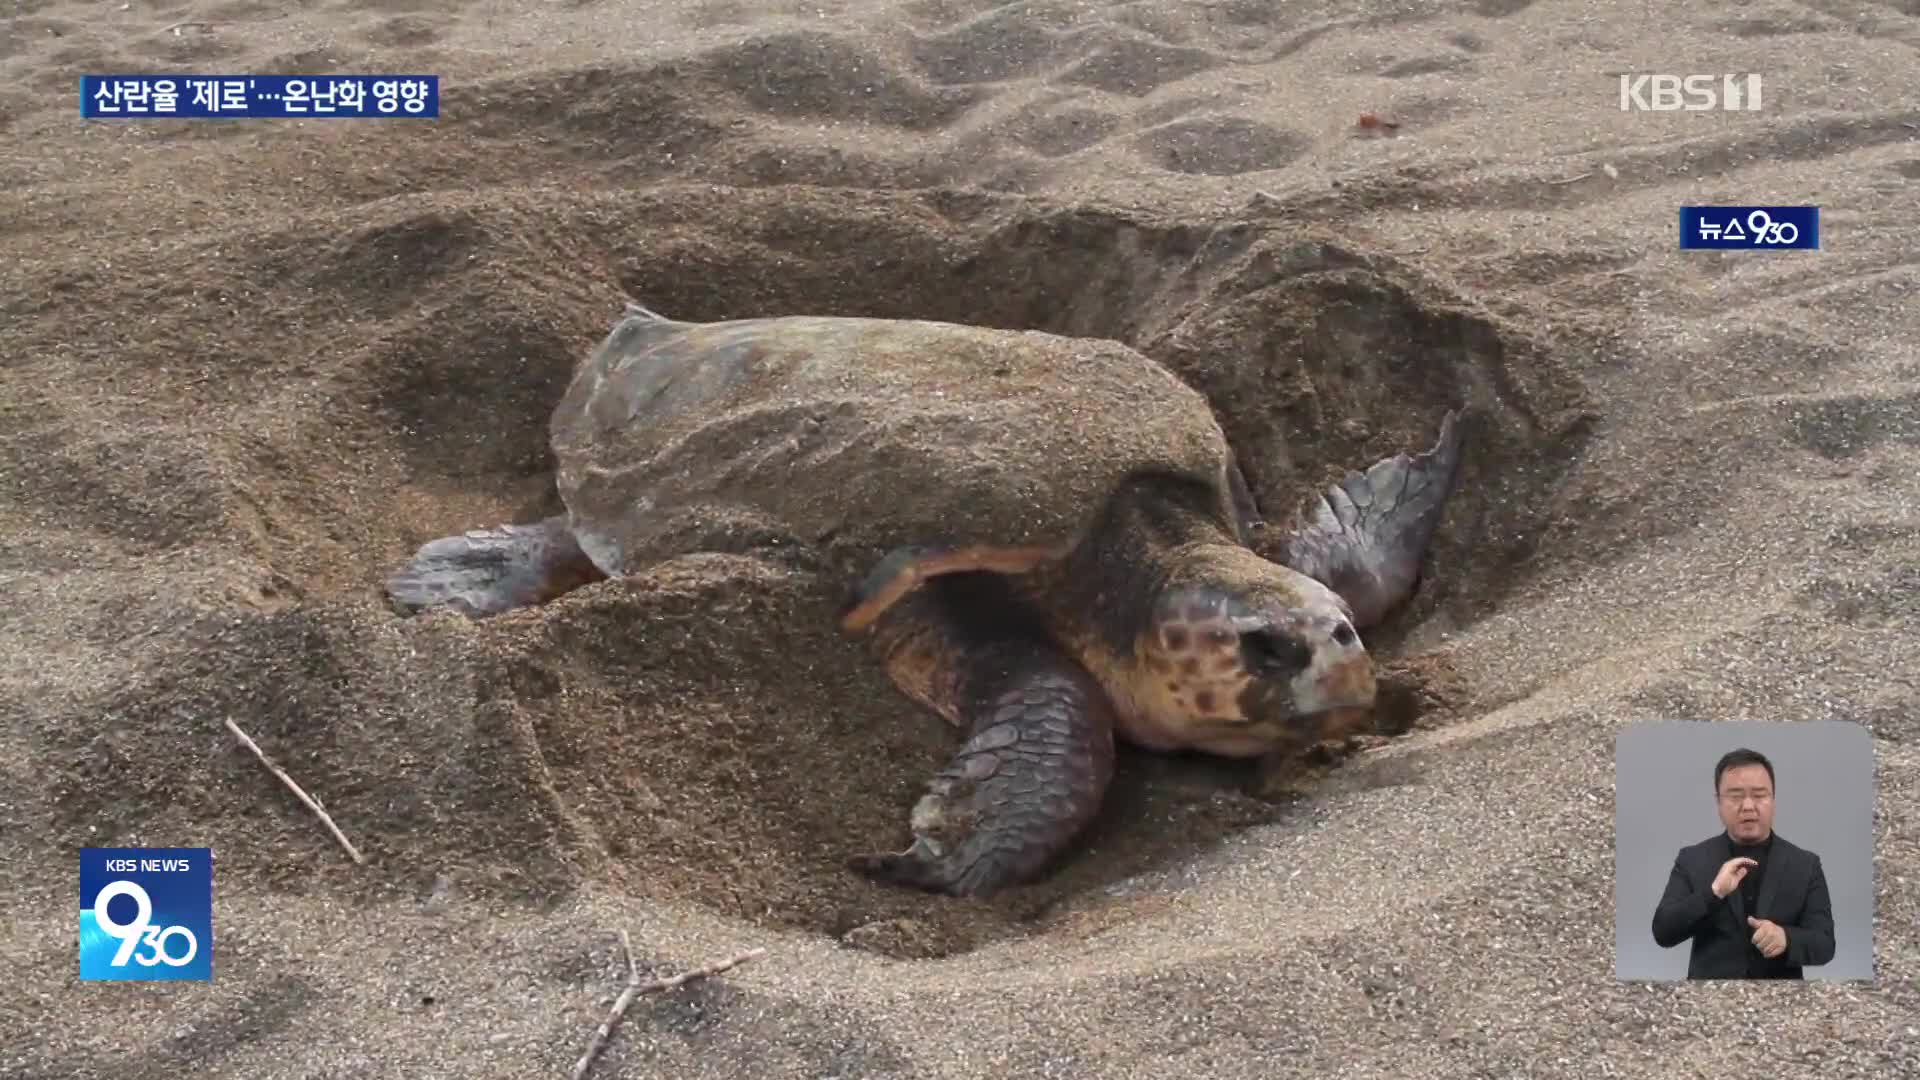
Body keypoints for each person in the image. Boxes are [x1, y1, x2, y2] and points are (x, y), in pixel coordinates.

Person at [1650, 747, 1836, 978]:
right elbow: (1663, 932)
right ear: (1718, 802)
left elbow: (1825, 945)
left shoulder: (1806, 864)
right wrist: (1714, 893)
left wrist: (1786, 938)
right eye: (1735, 796)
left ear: (1773, 799)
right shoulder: (1692, 859)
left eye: (1759, 795)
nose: (1748, 806)